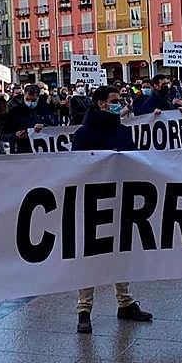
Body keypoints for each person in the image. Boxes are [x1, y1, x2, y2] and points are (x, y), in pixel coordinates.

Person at [69, 85, 153, 333]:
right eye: (114, 100)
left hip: (121, 198)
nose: (119, 104)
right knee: (90, 255)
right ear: (101, 104)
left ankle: (125, 302)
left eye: (120, 100)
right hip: (93, 200)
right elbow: (76, 166)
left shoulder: (123, 132)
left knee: (122, 251)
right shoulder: (84, 134)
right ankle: (84, 309)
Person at [2, 84, 58, 153]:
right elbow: (3, 134)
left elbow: (55, 127)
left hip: (42, 151)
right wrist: (15, 136)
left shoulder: (45, 109)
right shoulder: (14, 111)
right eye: (27, 99)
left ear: (38, 97)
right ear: (24, 96)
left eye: (33, 100)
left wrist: (44, 126)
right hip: (21, 152)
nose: (30, 103)